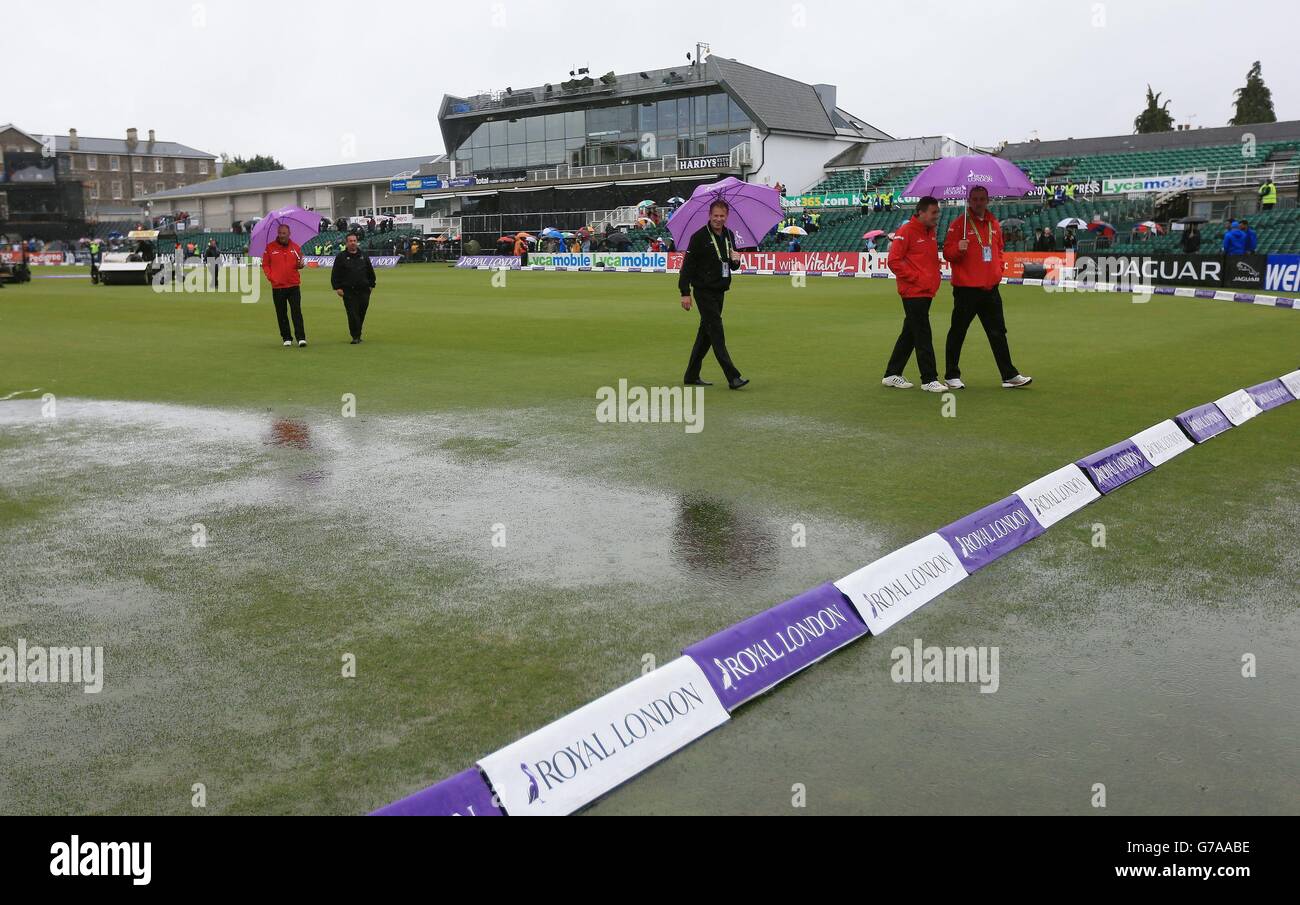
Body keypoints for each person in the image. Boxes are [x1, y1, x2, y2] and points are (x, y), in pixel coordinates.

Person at [942, 185, 1032, 389]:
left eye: (982, 198)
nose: (978, 202)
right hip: (966, 289)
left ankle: (1009, 375)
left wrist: (998, 270)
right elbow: (947, 253)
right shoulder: (959, 225)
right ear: (969, 200)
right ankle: (951, 375)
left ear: (988, 200)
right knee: (958, 331)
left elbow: (999, 249)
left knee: (998, 332)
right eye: (974, 199)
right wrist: (958, 248)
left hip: (990, 288)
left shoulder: (994, 224)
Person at [679, 199, 748, 389]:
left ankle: (691, 375)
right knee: (716, 332)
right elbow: (687, 267)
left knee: (706, 335)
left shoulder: (729, 235)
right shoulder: (699, 237)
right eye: (715, 215)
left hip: (720, 290)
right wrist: (685, 292)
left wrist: (736, 261)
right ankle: (733, 377)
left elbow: (731, 265)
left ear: (727, 216)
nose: (718, 219)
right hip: (703, 291)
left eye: (722, 216)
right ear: (709, 215)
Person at [882, 197, 945, 392]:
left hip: (925, 290)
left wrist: (934, 275)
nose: (937, 215)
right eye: (934, 212)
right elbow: (893, 261)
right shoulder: (906, 231)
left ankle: (892, 374)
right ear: (922, 212)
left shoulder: (930, 232)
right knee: (922, 333)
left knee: (910, 333)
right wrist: (917, 278)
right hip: (913, 291)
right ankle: (929, 378)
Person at [261, 223, 307, 347]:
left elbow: (299, 264)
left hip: (293, 285)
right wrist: (271, 277)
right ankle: (286, 337)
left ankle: (301, 338)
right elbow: (265, 264)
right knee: (281, 313)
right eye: (280, 233)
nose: (281, 235)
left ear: (289, 234)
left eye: (284, 233)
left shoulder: (295, 247)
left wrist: (300, 265)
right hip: (278, 286)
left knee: (296, 312)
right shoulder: (269, 248)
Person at [331, 232, 376, 344]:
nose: (352, 243)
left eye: (354, 241)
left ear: (357, 242)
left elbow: (370, 272)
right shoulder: (341, 257)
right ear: (346, 243)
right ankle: (355, 336)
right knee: (352, 314)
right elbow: (335, 273)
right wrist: (337, 288)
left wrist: (371, 285)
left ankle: (358, 334)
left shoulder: (363, 255)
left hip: (364, 290)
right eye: (350, 241)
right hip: (348, 291)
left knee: (361, 313)